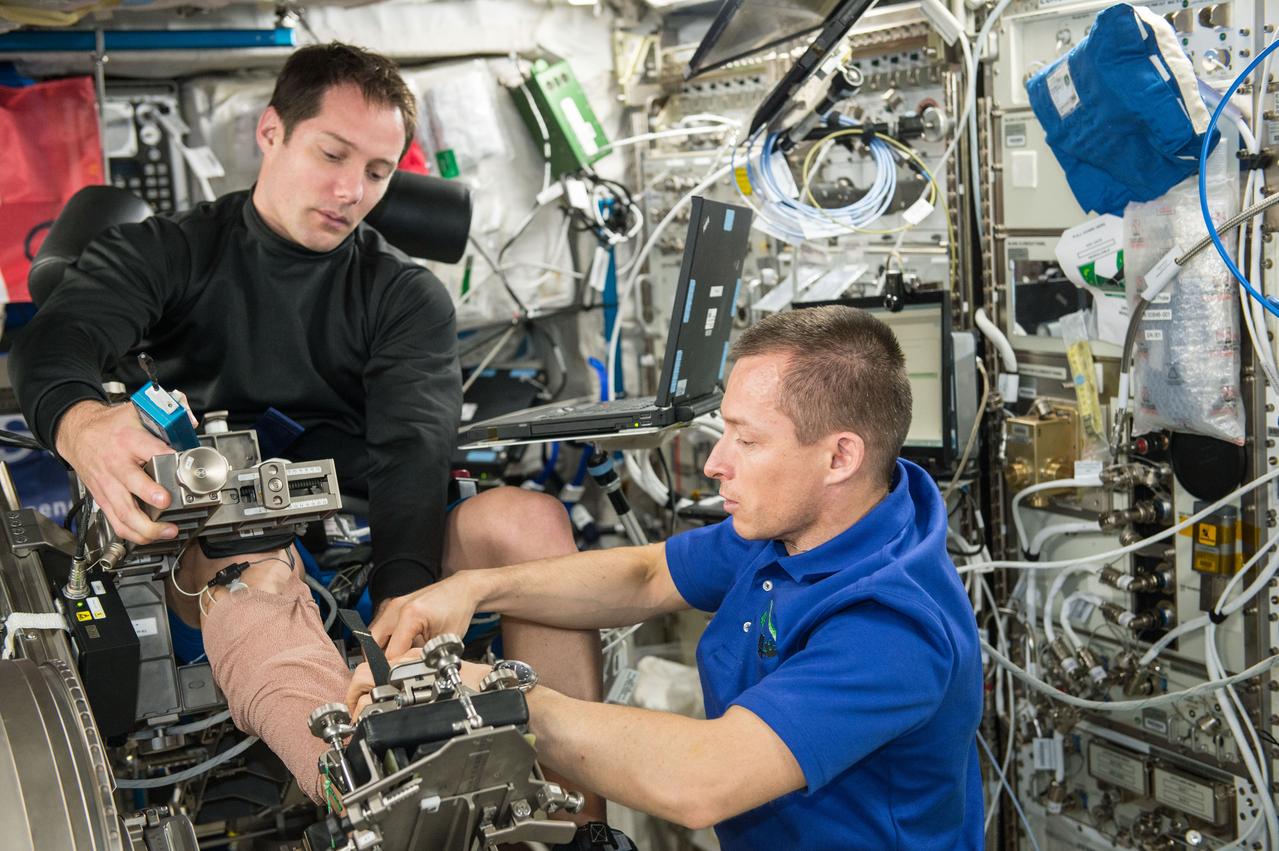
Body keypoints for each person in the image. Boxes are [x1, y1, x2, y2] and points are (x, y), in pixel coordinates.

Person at [9, 42, 625, 846]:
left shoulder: (402, 293)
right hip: (225, 559)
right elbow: (56, 340)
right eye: (331, 154)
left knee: (528, 521)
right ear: (271, 134)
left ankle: (575, 825)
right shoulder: (170, 253)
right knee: (252, 562)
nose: (349, 192)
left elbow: (413, 454)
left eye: (375, 171)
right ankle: (370, 796)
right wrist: (82, 422)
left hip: (378, 550)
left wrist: (402, 618)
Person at [358, 305, 985, 849]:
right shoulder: (819, 521)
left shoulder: (892, 626)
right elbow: (645, 574)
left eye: (746, 440)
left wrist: (493, 694)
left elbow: (702, 781)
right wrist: (471, 588)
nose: (715, 463)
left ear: (840, 455)